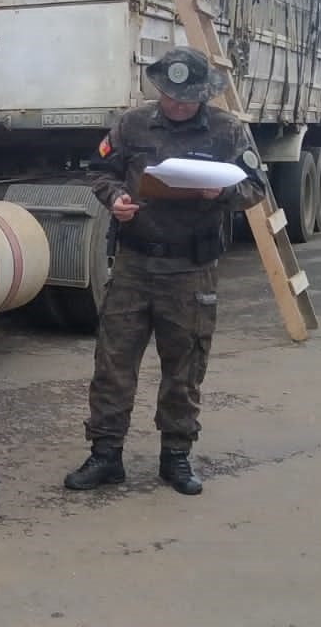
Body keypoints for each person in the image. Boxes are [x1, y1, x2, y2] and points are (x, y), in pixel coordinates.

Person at [64, 46, 268, 495]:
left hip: (191, 268)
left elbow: (256, 187)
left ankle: (176, 455)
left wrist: (222, 194)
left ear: (204, 94)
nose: (176, 105)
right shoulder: (132, 124)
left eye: (185, 99)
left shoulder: (227, 131)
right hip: (134, 264)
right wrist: (116, 199)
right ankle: (105, 454)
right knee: (113, 362)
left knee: (185, 365)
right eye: (169, 96)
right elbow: (101, 171)